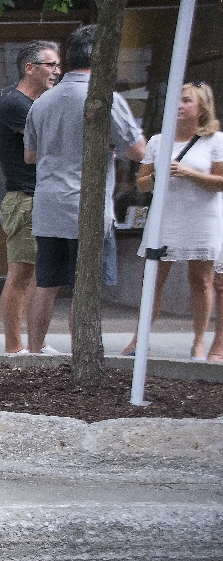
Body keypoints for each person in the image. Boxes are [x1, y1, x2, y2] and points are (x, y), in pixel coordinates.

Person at [23, 24, 146, 354]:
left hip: (48, 205)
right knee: (85, 286)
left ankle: (34, 351)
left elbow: (30, 155)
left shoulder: (43, 102)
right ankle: (83, 355)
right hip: (87, 207)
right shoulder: (106, 98)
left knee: (45, 283)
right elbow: (138, 151)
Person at [121, 82, 223, 360]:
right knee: (152, 279)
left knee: (200, 280)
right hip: (166, 218)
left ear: (201, 108)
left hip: (202, 218)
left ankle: (199, 341)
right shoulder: (158, 141)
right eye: (176, 100)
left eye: (186, 100)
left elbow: (220, 182)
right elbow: (140, 184)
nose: (179, 105)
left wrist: (189, 174)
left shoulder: (215, 141)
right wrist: (156, 177)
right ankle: (139, 339)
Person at [0, 40, 61, 354]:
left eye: (58, 66)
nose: (57, 71)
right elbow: (47, 143)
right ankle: (14, 346)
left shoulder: (35, 104)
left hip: (40, 198)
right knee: (21, 274)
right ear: (30, 68)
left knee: (40, 273)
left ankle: (37, 342)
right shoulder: (15, 103)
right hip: (25, 199)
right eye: (50, 65)